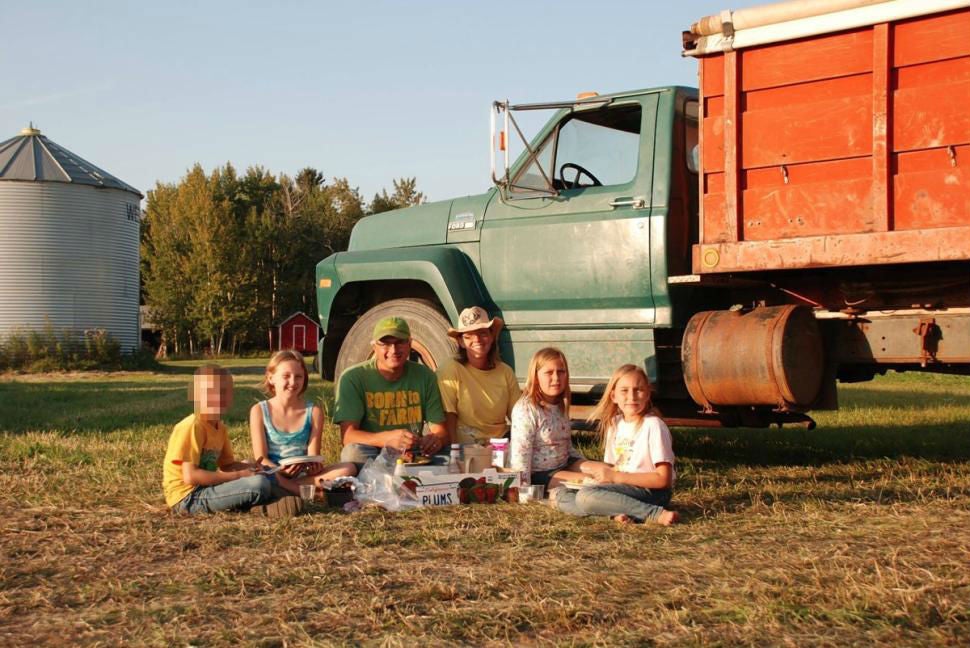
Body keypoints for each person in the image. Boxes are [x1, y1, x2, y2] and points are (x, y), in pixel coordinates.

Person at [163, 364, 301, 517]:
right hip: (188, 498)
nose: (218, 397)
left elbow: (227, 466)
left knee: (258, 472)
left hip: (205, 489)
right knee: (258, 484)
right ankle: (266, 503)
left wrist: (253, 467)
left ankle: (273, 499)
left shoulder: (220, 428)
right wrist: (240, 475)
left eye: (223, 392)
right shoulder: (192, 427)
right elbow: (191, 476)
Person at [554, 364, 679, 526]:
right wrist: (601, 477)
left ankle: (654, 513)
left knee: (586, 496)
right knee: (561, 494)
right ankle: (615, 513)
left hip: (652, 492)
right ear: (613, 396)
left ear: (648, 393)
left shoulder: (653, 425)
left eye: (638, 390)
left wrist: (615, 477)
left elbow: (663, 480)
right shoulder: (615, 424)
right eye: (624, 391)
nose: (632, 397)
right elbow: (615, 468)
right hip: (624, 487)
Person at [334, 316, 448, 466]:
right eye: (385, 343)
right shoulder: (353, 377)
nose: (393, 350)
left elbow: (441, 431)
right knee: (353, 453)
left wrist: (435, 440)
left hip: (412, 452)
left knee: (452, 454)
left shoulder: (425, 376)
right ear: (374, 346)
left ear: (410, 344)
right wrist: (387, 439)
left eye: (400, 342)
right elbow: (348, 437)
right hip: (373, 451)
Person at [250, 350, 356, 495]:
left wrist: (314, 467)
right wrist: (280, 471)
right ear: (271, 378)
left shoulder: (313, 412)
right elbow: (261, 459)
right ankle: (297, 489)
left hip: (302, 476)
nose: (293, 382)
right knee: (248, 467)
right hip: (272, 472)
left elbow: (313, 455)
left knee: (349, 468)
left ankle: (286, 488)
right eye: (286, 376)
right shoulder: (259, 410)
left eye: (298, 376)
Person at [509, 347, 593, 491]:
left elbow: (566, 445)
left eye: (561, 372)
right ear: (535, 376)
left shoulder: (560, 404)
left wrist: (585, 463)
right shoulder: (526, 409)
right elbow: (520, 455)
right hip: (541, 473)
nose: (556, 378)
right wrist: (523, 490)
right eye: (549, 372)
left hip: (565, 463)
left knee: (607, 472)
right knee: (593, 482)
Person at [436, 306, 521, 445]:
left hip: (500, 445)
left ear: (492, 337)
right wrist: (454, 452)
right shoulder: (450, 369)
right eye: (469, 335)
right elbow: (448, 414)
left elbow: (518, 416)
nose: (477, 339)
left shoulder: (506, 372)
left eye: (482, 333)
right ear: (461, 342)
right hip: (467, 447)